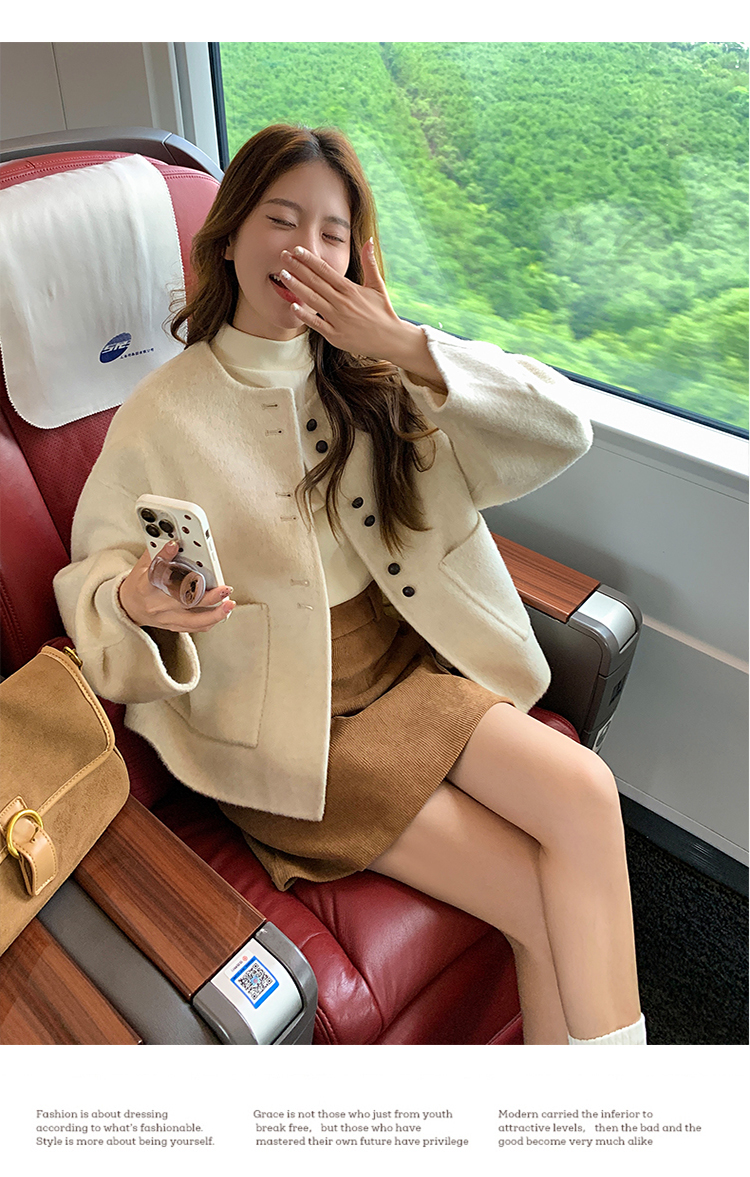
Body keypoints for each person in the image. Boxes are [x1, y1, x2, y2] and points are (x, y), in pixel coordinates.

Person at [54, 123, 645, 1046]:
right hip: (294, 729)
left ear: (356, 257)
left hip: (408, 672)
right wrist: (139, 605)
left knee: (587, 792)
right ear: (229, 238)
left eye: (333, 233)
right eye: (281, 219)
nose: (307, 249)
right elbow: (93, 585)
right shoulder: (162, 413)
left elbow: (562, 428)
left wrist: (404, 341)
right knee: (534, 899)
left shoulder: (376, 372)